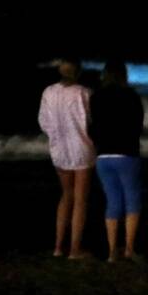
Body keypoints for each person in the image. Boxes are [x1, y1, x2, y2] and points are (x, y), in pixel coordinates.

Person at [38, 57, 96, 259]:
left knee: (66, 195)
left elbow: (43, 122)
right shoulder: (84, 93)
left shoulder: (49, 92)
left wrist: (55, 135)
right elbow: (91, 120)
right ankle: (74, 249)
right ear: (78, 72)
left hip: (59, 149)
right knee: (80, 200)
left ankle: (57, 247)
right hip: (82, 148)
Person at [89, 60, 147, 261]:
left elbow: (93, 125)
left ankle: (112, 251)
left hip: (103, 155)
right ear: (124, 75)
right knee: (132, 200)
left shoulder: (96, 97)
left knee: (112, 201)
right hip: (127, 152)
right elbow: (138, 124)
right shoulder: (131, 96)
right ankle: (129, 249)